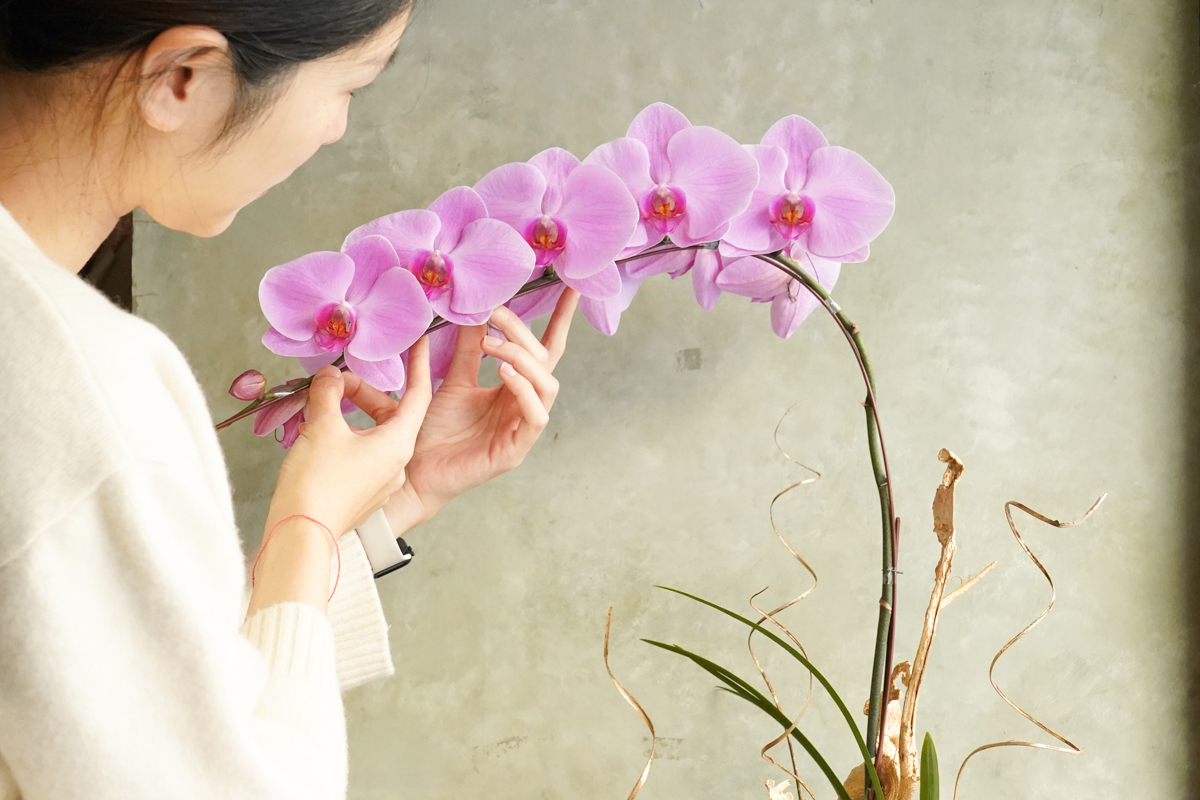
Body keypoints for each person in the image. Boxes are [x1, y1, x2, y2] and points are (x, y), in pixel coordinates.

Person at [0, 2, 579, 798]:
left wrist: (389, 503)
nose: (338, 131)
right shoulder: (83, 389)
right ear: (183, 79)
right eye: (351, 86)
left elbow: (127, 695)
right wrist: (304, 527)